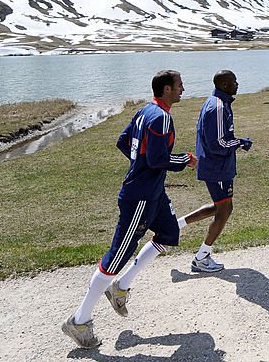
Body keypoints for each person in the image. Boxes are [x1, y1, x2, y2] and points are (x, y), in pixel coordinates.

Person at [62, 70, 194, 349]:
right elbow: (158, 159)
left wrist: (140, 166)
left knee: (168, 233)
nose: (184, 89)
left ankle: (120, 288)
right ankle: (80, 320)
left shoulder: (145, 111)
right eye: (180, 85)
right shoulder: (160, 117)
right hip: (140, 198)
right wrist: (186, 160)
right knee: (116, 258)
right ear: (167, 89)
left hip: (154, 194)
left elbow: (123, 142)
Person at [178, 70, 253, 273]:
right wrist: (240, 142)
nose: (237, 84)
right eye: (233, 81)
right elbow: (217, 143)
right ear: (224, 84)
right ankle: (201, 258)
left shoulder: (218, 102)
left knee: (219, 207)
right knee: (225, 210)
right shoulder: (218, 107)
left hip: (217, 166)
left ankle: (175, 225)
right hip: (217, 167)